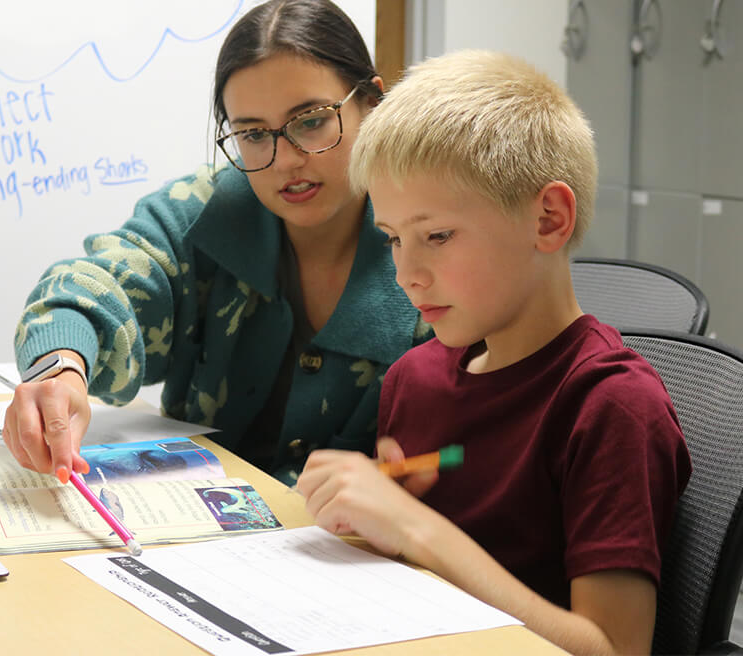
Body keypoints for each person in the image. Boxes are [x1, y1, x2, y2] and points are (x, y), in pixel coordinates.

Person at [296, 50, 692, 655]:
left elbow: (615, 648)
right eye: (395, 240)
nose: (407, 273)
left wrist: (416, 529)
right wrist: (373, 527)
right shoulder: (414, 379)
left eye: (437, 236)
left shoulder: (610, 407)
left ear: (549, 219)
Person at [3, 0, 430, 486]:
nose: (286, 159)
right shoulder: (206, 211)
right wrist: (61, 369)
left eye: (311, 122)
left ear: (373, 104)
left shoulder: (431, 239)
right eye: (252, 134)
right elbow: (88, 283)